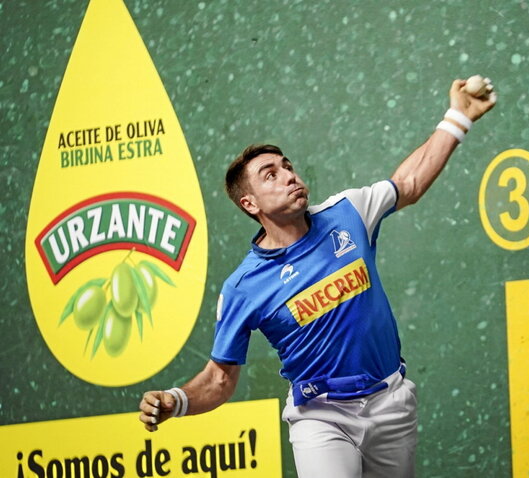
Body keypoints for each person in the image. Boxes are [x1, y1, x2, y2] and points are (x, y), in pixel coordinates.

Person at [139, 77, 497, 477]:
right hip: (321, 417)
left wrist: (458, 117)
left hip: (391, 401)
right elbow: (219, 379)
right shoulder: (244, 287)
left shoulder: (349, 212)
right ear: (250, 203)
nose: (289, 176)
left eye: (287, 166)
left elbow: (408, 184)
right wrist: (175, 400)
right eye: (270, 175)